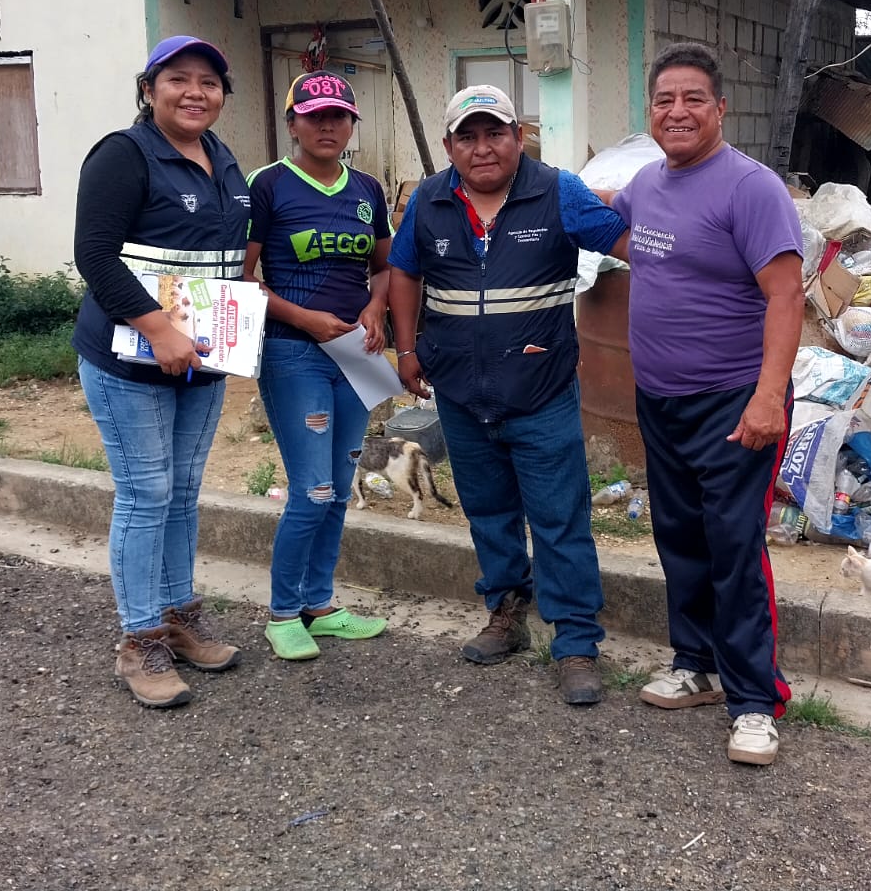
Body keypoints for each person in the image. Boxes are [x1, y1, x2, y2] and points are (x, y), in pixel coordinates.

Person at [387, 86, 629, 706]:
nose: (483, 148)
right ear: (449, 146)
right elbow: (404, 271)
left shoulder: (558, 191)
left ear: (518, 137)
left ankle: (575, 642)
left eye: (495, 133)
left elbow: (626, 243)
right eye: (467, 137)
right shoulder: (429, 201)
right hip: (461, 394)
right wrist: (407, 350)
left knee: (559, 520)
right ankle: (507, 613)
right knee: (489, 513)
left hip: (541, 391)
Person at [611, 41, 804, 765]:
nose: (678, 111)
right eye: (664, 99)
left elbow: (787, 295)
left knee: (734, 546)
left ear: (720, 108)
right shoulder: (646, 183)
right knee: (680, 536)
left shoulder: (750, 187)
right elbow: (628, 239)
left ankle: (754, 700)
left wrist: (767, 398)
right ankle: (693, 663)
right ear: (650, 112)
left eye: (693, 98)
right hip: (661, 399)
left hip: (733, 402)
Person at [73, 35, 251, 709]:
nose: (195, 92)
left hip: (200, 359)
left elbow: (221, 254)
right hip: (130, 359)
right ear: (149, 90)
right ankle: (139, 640)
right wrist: (156, 327)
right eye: (179, 79)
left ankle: (179, 618)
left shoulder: (222, 158)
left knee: (181, 491)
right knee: (146, 493)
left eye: (209, 82)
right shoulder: (123, 154)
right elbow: (94, 254)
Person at [243, 71, 392, 661]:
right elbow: (241, 278)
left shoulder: (368, 189)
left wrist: (376, 308)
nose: (327, 126)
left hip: (354, 355)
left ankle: (321, 605)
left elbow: (384, 265)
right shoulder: (268, 185)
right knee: (312, 489)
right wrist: (303, 318)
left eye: (338, 116)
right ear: (293, 124)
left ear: (352, 124)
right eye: (314, 116)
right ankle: (283, 612)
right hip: (292, 352)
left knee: (339, 488)